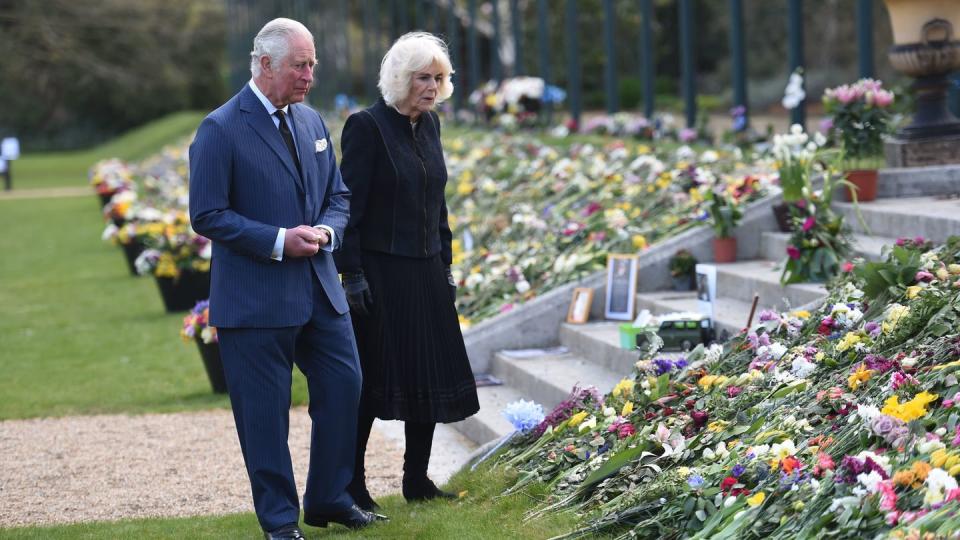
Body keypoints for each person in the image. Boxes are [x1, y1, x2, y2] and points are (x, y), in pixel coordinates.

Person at [189, 18, 386, 540]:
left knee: (346, 386)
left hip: (320, 290)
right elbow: (207, 214)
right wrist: (279, 240)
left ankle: (329, 497)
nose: (310, 74)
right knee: (264, 417)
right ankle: (280, 523)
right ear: (265, 64)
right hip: (254, 299)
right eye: (301, 64)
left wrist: (325, 229)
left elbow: (339, 197)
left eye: (313, 63)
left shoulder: (312, 122)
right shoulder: (220, 128)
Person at [334, 32, 480, 511]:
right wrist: (351, 274)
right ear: (400, 77)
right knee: (373, 384)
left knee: (430, 374)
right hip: (380, 273)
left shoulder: (430, 125)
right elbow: (348, 208)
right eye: (424, 77)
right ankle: (352, 486)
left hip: (426, 271)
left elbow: (436, 202)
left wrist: (447, 263)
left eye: (439, 78)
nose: (433, 87)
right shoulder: (365, 127)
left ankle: (416, 480)